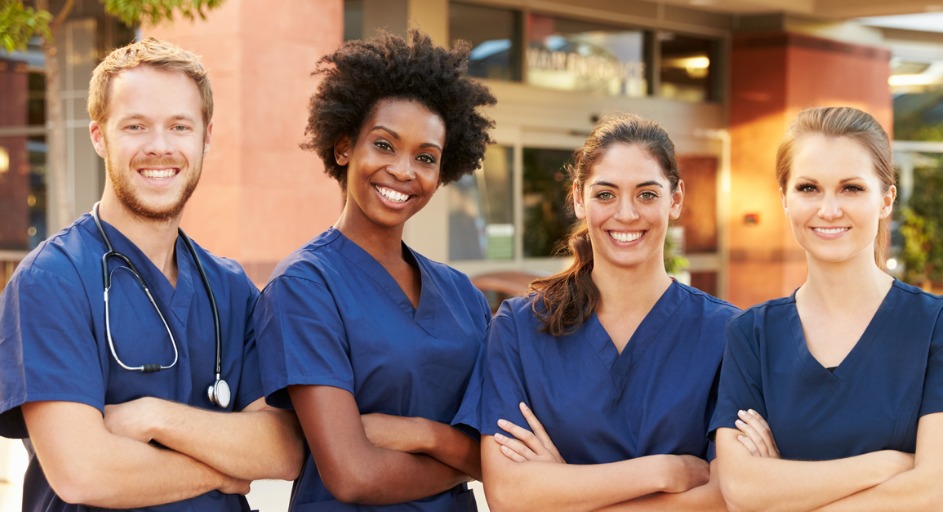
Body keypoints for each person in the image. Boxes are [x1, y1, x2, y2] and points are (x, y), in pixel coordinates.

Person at [0, 37, 304, 511]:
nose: (159, 147)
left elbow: (284, 449)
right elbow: (84, 473)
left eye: (179, 126)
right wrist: (225, 469)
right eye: (136, 126)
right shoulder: (52, 281)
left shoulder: (229, 288)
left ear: (205, 136)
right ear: (99, 136)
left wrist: (153, 417)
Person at [254, 30, 495, 511]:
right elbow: (352, 476)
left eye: (426, 157)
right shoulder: (305, 286)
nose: (405, 171)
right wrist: (463, 458)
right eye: (384, 146)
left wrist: (421, 434)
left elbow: (498, 454)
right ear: (344, 147)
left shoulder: (462, 295)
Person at [710, 106, 943, 511]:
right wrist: (886, 466)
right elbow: (740, 489)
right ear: (785, 200)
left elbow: (935, 494)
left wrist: (786, 493)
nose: (828, 209)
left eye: (851, 188)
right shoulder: (752, 334)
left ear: (886, 199)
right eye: (808, 188)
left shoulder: (936, 325)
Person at [471, 113, 737, 511]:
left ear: (676, 199)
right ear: (579, 198)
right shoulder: (519, 329)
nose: (626, 214)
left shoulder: (727, 334)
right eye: (605, 194)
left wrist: (561, 493)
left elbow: (725, 496)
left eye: (647, 194)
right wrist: (663, 472)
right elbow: (508, 494)